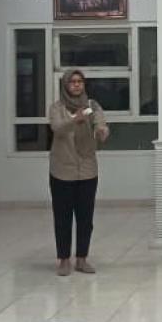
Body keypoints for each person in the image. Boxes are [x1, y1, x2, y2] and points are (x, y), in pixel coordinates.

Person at [49, 70, 109, 276]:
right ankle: (64, 260)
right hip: (62, 170)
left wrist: (102, 131)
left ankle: (82, 259)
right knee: (62, 217)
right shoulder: (57, 107)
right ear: (65, 85)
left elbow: (101, 124)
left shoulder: (92, 106)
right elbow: (57, 128)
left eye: (80, 81)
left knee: (85, 218)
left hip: (87, 170)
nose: (76, 85)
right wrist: (75, 119)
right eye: (72, 82)